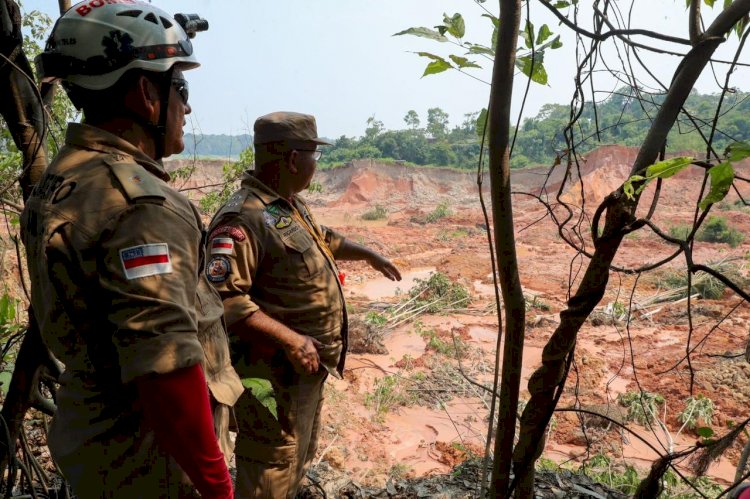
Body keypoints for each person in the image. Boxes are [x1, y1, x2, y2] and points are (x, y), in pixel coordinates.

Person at [21, 2, 243, 497]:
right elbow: (166, 363)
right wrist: (217, 485)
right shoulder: (141, 204)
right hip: (151, 460)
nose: (186, 107)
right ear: (146, 95)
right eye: (179, 88)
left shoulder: (63, 178)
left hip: (100, 446)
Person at [206, 111, 402, 498]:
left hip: (304, 373)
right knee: (271, 468)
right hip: (271, 377)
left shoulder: (285, 206)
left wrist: (368, 255)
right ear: (294, 159)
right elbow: (222, 299)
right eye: (315, 155)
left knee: (295, 458)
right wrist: (292, 340)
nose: (316, 164)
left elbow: (324, 238)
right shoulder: (243, 217)